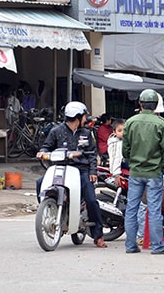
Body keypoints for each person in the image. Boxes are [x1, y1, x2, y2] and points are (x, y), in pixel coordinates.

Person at [35, 101, 107, 248]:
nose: (86, 119)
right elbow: (46, 147)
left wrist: (93, 171)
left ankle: (98, 234)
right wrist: (42, 152)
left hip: (81, 171)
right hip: (61, 168)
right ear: (77, 117)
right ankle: (51, 211)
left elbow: (93, 154)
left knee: (92, 200)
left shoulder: (87, 133)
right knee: (39, 183)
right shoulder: (56, 131)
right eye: (84, 116)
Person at [122, 89, 164, 254]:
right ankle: (157, 246)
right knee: (154, 209)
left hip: (135, 173)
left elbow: (125, 150)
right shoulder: (162, 124)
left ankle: (130, 245)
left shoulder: (130, 122)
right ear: (155, 106)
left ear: (140, 104)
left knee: (131, 208)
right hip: (154, 173)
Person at [107, 118, 126, 185]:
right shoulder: (116, 143)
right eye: (120, 131)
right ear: (114, 132)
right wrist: (116, 174)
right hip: (120, 165)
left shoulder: (124, 141)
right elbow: (115, 158)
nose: (123, 133)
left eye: (125, 130)